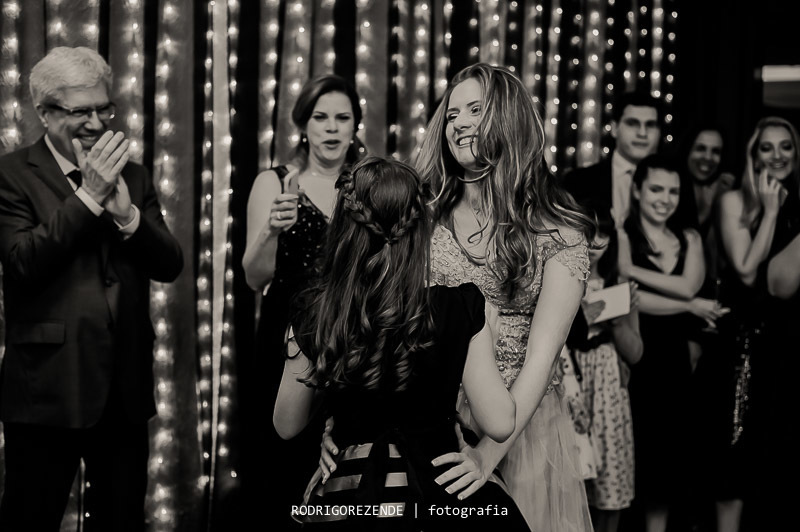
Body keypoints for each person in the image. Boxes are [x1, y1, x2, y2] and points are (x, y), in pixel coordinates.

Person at [273, 156, 530, 531]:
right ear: (420, 228)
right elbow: (500, 421)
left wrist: (335, 425)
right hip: (439, 491)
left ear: (343, 229)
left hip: (351, 492)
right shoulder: (457, 306)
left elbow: (286, 424)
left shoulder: (316, 312)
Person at [0, 47, 183, 531]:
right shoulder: (12, 174)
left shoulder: (135, 173)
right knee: (28, 519)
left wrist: (126, 215)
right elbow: (23, 263)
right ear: (44, 112)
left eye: (105, 108)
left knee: (120, 521)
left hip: (123, 389)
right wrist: (88, 196)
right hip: (46, 390)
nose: (98, 123)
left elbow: (170, 264)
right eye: (82, 111)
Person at [413, 63, 595, 531]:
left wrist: (485, 457)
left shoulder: (560, 231)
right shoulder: (425, 220)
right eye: (452, 115)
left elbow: (542, 359)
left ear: (509, 119)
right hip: (435, 422)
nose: (459, 124)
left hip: (524, 428)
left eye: (475, 109)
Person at [241, 74, 365, 526]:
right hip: (288, 336)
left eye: (342, 118)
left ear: (355, 126)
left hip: (354, 336)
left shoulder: (367, 184)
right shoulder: (274, 182)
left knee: (344, 463)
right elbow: (255, 278)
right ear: (304, 125)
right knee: (285, 458)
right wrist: (272, 230)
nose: (331, 128)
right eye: (321, 117)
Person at [616, 155, 727, 532]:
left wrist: (632, 271)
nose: (665, 198)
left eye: (673, 190)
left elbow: (688, 284)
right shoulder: (623, 234)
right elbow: (623, 300)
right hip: (639, 359)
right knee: (641, 460)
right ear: (637, 190)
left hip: (679, 361)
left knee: (675, 465)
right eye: (656, 189)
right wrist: (691, 307)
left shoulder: (690, 237)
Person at [715, 117, 799, 531]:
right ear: (753, 154)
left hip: (785, 342)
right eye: (767, 147)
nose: (778, 155)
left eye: (786, 147)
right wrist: (769, 211)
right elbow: (748, 272)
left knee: (775, 452)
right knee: (736, 451)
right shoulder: (735, 201)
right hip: (743, 344)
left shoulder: (798, 204)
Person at [566, 218, 643, 532]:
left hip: (608, 384)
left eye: (604, 236)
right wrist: (586, 314)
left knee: (610, 475)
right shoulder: (564, 275)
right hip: (570, 378)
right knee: (575, 475)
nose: (596, 242)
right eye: (590, 233)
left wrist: (614, 313)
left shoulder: (618, 285)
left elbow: (636, 352)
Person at [563, 92, 673, 230]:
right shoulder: (578, 182)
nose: (642, 133)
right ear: (614, 129)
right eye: (632, 123)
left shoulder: (678, 183)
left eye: (650, 125)